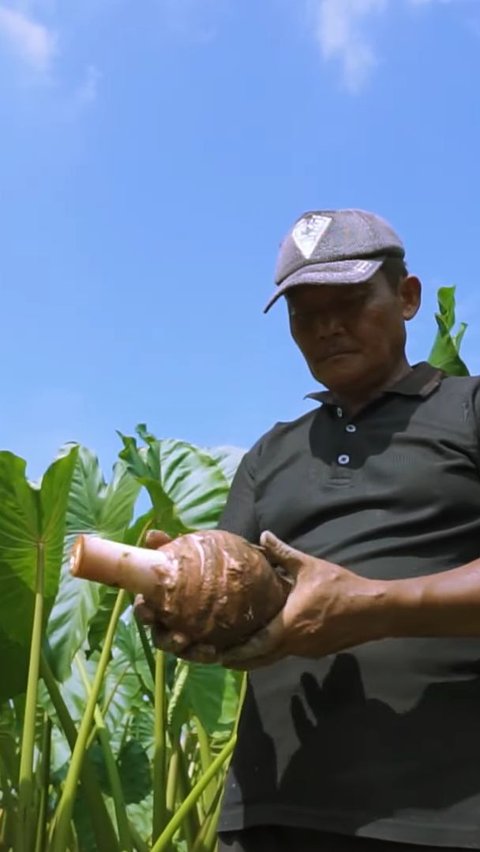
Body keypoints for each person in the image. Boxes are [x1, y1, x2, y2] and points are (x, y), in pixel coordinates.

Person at [137, 209, 480, 851]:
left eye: (349, 301)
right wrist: (173, 598)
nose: (326, 327)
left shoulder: (468, 411)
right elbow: (232, 607)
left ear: (406, 298)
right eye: (303, 313)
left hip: (450, 812)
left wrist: (377, 607)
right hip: (273, 812)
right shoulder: (269, 455)